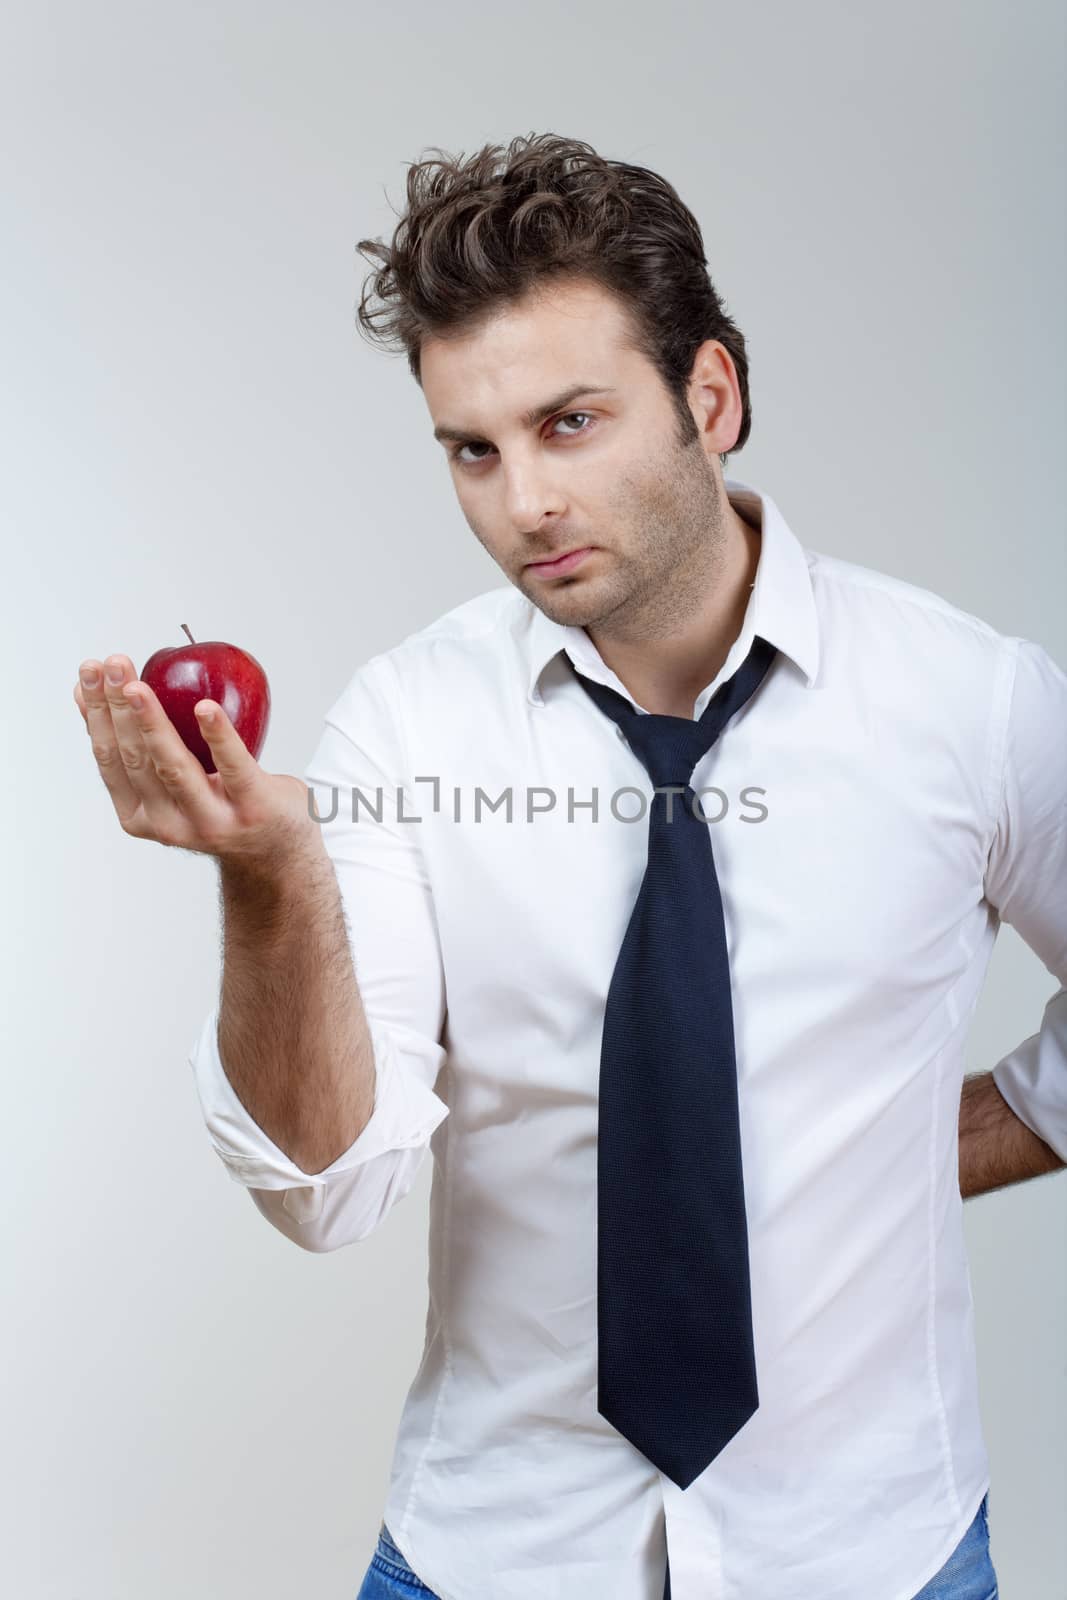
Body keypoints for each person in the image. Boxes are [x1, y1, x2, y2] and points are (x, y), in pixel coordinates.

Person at [74, 134, 1065, 1600]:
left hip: (876, 1552)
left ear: (708, 397)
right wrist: (272, 882)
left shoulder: (971, 705)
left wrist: (921, 1147)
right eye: (473, 450)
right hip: (495, 1552)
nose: (521, 499)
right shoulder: (407, 723)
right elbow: (328, 1193)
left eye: (572, 423)